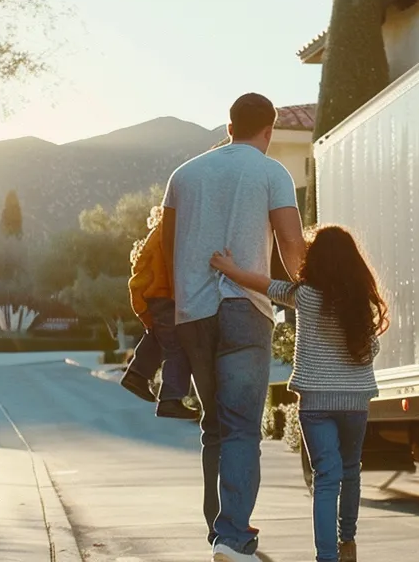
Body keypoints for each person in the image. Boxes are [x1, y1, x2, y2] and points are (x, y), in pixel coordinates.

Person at [162, 93, 305, 562]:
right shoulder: (271, 173)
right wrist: (316, 297)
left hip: (194, 314)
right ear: (268, 130)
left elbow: (166, 252)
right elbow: (291, 247)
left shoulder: (182, 177)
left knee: (217, 426)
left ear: (228, 126)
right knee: (243, 428)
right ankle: (232, 537)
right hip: (245, 309)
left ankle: (220, 532)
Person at [209, 225, 385, 562]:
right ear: (353, 261)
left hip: (315, 404)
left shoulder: (304, 295)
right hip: (354, 403)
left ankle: (326, 557)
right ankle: (347, 541)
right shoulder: (360, 301)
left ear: (315, 258)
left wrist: (229, 269)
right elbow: (371, 349)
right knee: (350, 470)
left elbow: (263, 285)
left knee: (325, 478)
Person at [121, 204, 197, 420]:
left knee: (158, 337)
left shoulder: (159, 233)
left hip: (158, 298)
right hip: (165, 297)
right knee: (178, 347)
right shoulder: (169, 232)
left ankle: (136, 375)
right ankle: (170, 400)